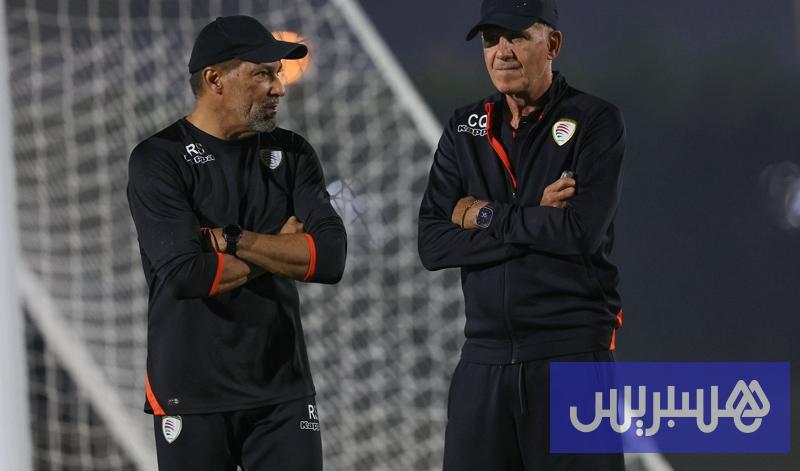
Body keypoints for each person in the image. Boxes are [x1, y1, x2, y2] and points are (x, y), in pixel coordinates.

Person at [127, 15, 346, 471]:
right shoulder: (158, 159)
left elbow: (329, 258)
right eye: (262, 74)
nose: (278, 88)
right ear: (215, 80)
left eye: (277, 74)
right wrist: (280, 249)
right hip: (190, 392)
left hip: (282, 390)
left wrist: (231, 239)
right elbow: (187, 275)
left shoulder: (294, 153)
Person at [417, 0, 625, 469]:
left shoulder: (595, 120)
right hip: (482, 362)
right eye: (491, 40)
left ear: (553, 44)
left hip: (570, 357)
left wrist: (483, 214)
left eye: (517, 37)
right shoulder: (464, 128)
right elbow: (431, 243)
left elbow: (577, 231)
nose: (502, 51)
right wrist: (533, 217)